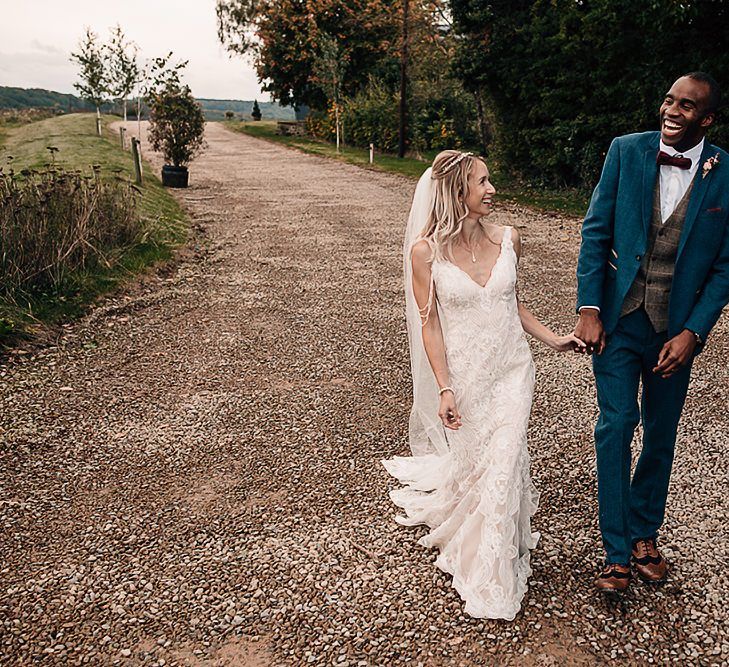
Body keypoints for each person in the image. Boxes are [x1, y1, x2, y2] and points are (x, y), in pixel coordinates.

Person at [382, 150, 584, 620]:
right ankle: (471, 524)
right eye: (483, 182)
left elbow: (516, 306)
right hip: (467, 376)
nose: (492, 189)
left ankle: (492, 569)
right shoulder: (424, 252)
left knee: (507, 454)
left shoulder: (510, 239)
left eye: (490, 180)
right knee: (479, 462)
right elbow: (430, 326)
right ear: (456, 191)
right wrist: (445, 387)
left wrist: (555, 340)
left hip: (513, 368)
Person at [575, 72, 729, 596]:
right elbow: (595, 231)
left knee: (661, 432)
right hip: (618, 322)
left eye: (686, 106)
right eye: (668, 99)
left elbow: (726, 267)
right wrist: (590, 307)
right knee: (615, 427)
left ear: (706, 119)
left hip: (674, 333)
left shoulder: (726, 172)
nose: (671, 110)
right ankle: (616, 552)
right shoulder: (626, 151)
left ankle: (645, 533)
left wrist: (693, 332)